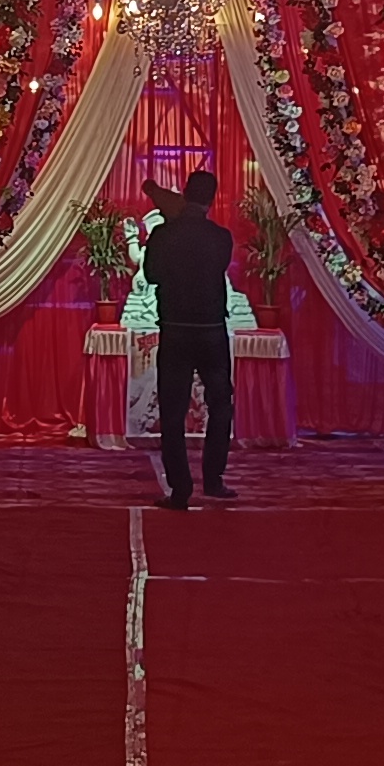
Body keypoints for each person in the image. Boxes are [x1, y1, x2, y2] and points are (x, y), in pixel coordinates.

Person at [143, 170, 238, 511]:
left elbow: (151, 275)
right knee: (221, 406)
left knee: (173, 411)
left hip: (176, 327)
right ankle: (213, 480)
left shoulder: (163, 235)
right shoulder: (222, 238)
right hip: (211, 329)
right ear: (212, 199)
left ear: (184, 193)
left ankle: (180, 488)